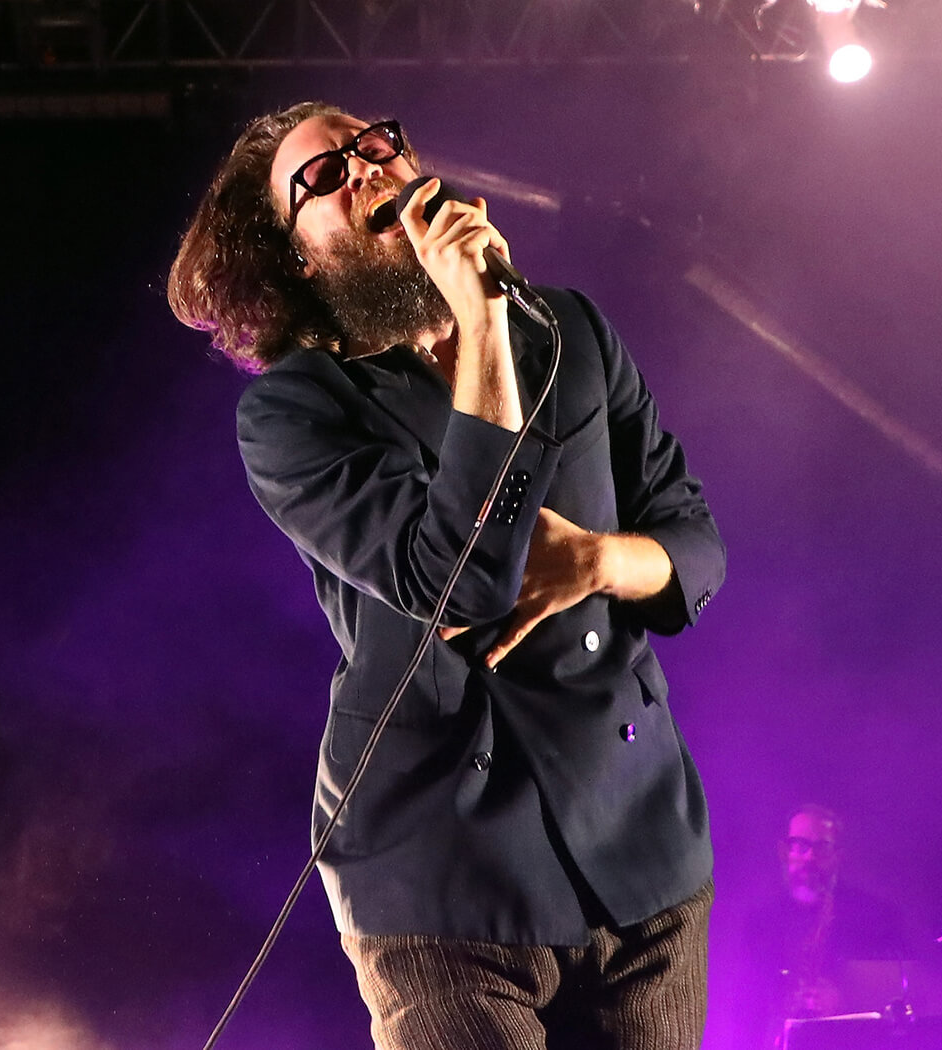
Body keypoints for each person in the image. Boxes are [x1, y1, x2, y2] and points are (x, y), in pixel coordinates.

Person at [167, 102, 725, 1050]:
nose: (363, 170)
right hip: (439, 868)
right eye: (324, 177)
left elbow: (695, 540)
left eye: (371, 146)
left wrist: (595, 560)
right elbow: (458, 584)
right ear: (300, 254)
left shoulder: (574, 332)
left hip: (641, 845)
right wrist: (480, 322)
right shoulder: (296, 413)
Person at [742, 803, 906, 1048]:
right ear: (784, 851)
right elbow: (744, 1008)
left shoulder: (875, 916)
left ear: (838, 856)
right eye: (799, 845)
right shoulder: (760, 922)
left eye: (822, 847)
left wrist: (847, 998)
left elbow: (901, 990)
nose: (810, 856)